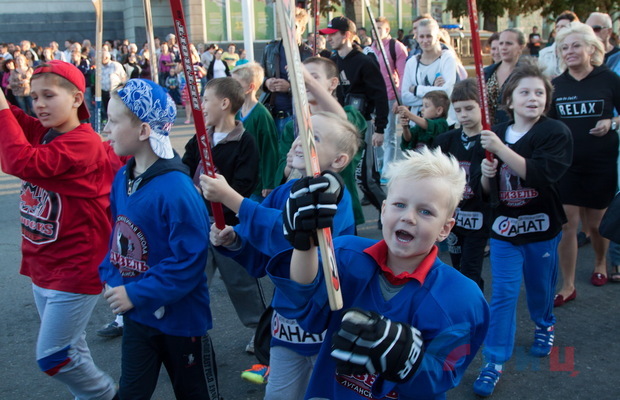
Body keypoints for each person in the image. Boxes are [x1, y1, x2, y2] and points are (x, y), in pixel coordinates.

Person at [266, 146, 489, 399]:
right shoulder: (346, 255)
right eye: (399, 204)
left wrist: (408, 361)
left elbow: (444, 373)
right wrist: (304, 244)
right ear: (383, 211)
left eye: (425, 211)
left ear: (445, 229)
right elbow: (304, 304)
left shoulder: (461, 298)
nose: (409, 217)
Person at [200, 110, 358, 398]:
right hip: (285, 327)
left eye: (314, 138)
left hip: (325, 328)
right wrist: (235, 241)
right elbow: (263, 260)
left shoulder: (335, 199)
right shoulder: (283, 191)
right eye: (299, 134)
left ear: (338, 161)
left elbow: (287, 233)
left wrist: (232, 199)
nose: (298, 142)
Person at [0, 60, 117, 399]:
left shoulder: (83, 143)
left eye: (49, 96)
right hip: (44, 265)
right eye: (34, 97)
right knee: (73, 352)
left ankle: (106, 395)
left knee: (53, 358)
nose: (38, 105)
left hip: (75, 268)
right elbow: (17, 122)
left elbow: (17, 160)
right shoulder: (48, 132)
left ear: (77, 98)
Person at [98, 79, 219, 399]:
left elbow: (189, 262)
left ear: (142, 131)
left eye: (112, 120)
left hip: (181, 322)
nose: (105, 129)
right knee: (131, 393)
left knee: (194, 394)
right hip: (138, 316)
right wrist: (110, 277)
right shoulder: (123, 176)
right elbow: (117, 237)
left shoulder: (177, 191)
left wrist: (136, 292)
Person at [472, 62, 573, 397]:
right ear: (509, 100)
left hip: (542, 229)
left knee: (540, 288)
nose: (533, 98)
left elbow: (542, 175)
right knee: (503, 294)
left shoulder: (555, 132)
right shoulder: (495, 132)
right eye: (524, 92)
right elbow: (486, 193)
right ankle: (494, 361)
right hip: (505, 231)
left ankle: (544, 323)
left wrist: (501, 151)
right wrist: (488, 172)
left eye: (539, 93)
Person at [182, 77, 265, 354]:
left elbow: (245, 182)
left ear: (225, 103)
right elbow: (184, 167)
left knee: (240, 282)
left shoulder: (244, 141)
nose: (202, 105)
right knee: (194, 278)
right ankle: (191, 330)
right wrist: (188, 188)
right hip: (195, 222)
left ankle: (259, 329)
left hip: (227, 225)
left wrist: (219, 195)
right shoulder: (200, 138)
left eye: (206, 99)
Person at [548, 22, 620, 305]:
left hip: (601, 161)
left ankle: (601, 262)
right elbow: (550, 125)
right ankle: (567, 284)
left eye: (576, 45)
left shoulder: (608, 79)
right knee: (567, 223)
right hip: (567, 165)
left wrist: (612, 122)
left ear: (592, 48)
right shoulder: (556, 85)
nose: (570, 52)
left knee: (597, 221)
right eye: (564, 48)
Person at [320, 15, 390, 222]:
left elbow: (380, 96)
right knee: (341, 176)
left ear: (346, 35)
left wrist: (380, 128)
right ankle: (346, 220)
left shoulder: (364, 62)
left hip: (362, 125)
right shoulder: (331, 61)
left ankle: (388, 213)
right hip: (338, 125)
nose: (329, 38)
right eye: (328, 35)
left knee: (365, 179)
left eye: (333, 34)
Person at [432, 78, 489, 290]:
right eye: (458, 110)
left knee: (470, 270)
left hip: (479, 216)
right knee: (456, 267)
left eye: (469, 108)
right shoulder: (446, 140)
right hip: (455, 215)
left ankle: (472, 313)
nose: (463, 114)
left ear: (482, 107)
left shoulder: (490, 140)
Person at [261, 7, 313, 137]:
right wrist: (267, 82)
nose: (288, 31)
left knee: (292, 154)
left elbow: (315, 86)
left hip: (296, 115)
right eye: (285, 26)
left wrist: (290, 88)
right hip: (271, 113)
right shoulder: (270, 48)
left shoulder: (309, 54)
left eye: (293, 27)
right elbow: (259, 75)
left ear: (302, 29)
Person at [231, 62, 279, 202]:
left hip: (257, 183)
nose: (231, 88)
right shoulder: (236, 111)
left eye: (236, 84)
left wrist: (269, 182)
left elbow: (269, 151)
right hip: (240, 177)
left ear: (250, 87)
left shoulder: (261, 115)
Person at [401, 18, 459, 126]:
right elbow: (405, 97)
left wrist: (416, 89)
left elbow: (446, 92)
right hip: (417, 124)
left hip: (443, 124)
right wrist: (436, 93)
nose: (425, 40)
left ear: (437, 37)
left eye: (429, 36)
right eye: (421, 36)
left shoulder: (447, 58)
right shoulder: (412, 63)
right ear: (416, 37)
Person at [370, 16, 408, 180]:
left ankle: (387, 170)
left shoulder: (395, 47)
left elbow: (403, 74)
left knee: (389, 134)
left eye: (379, 28)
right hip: (373, 99)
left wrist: (400, 99)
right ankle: (378, 166)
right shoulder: (369, 49)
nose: (375, 31)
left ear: (387, 30)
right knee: (375, 135)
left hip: (390, 96)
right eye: (374, 28)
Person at [484, 28, 525, 125]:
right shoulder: (486, 73)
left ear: (520, 47)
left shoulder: (527, 74)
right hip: (489, 130)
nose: (503, 47)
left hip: (515, 128)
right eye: (501, 43)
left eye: (509, 43)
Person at [538, 11, 579, 79]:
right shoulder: (544, 53)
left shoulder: (577, 51)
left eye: (563, 26)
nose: (559, 29)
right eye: (557, 27)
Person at [101, 50, 127, 122]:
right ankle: (107, 121)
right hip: (103, 91)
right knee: (106, 108)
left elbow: (123, 77)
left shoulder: (116, 65)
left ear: (106, 57)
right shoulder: (99, 67)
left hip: (114, 91)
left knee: (115, 107)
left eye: (101, 58)